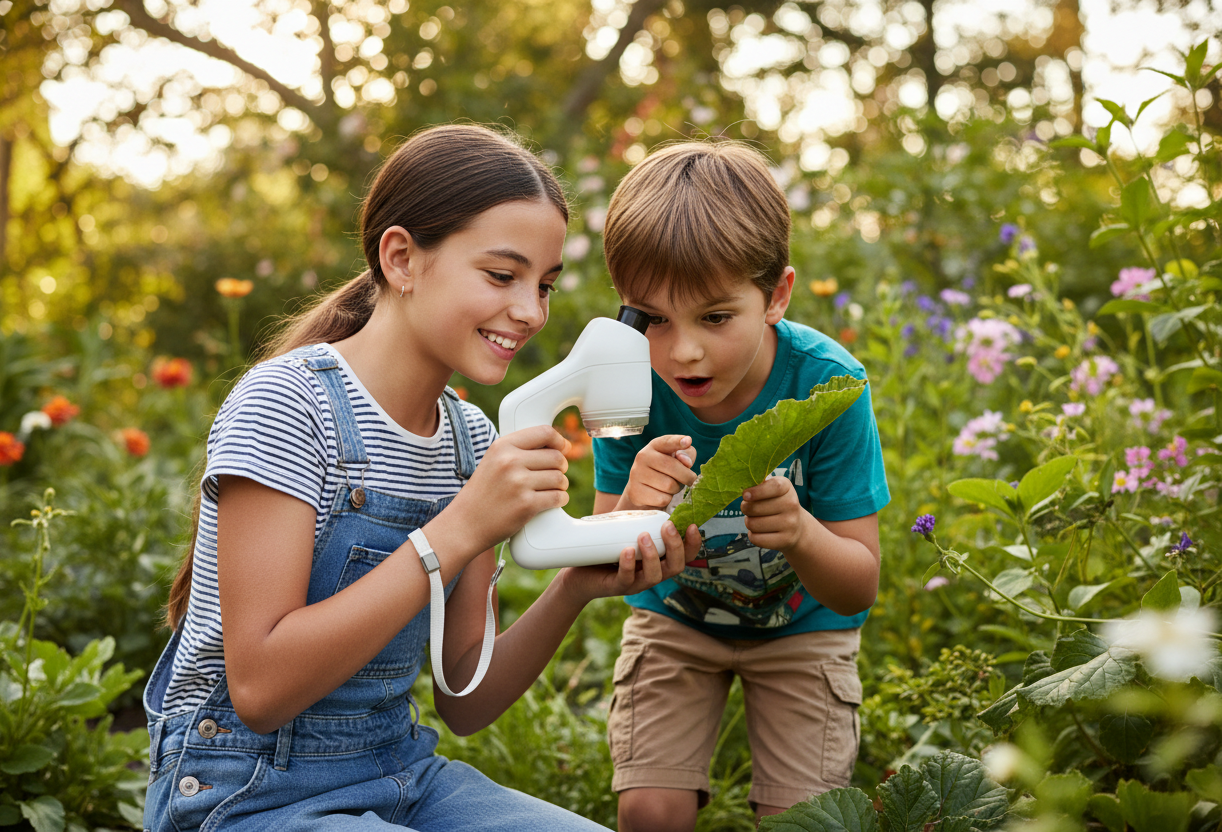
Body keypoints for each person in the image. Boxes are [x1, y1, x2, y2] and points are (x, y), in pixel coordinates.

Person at [142, 124, 701, 832]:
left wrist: (576, 586)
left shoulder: (468, 441)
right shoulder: (287, 404)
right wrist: (460, 528)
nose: (531, 310)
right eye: (502, 276)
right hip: (242, 790)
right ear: (402, 257)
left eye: (545, 285)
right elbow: (259, 686)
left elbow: (466, 697)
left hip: (398, 771)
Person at [591, 141, 890, 832]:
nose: (683, 351)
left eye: (715, 317)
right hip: (676, 622)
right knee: (648, 809)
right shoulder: (622, 379)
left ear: (777, 296)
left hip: (804, 629)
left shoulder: (830, 383)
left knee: (803, 820)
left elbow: (858, 583)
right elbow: (603, 564)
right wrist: (633, 502)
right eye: (653, 318)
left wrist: (802, 533)